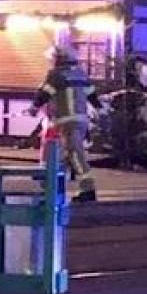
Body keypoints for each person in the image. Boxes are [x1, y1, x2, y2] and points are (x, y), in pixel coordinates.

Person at [32, 44, 102, 202]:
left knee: (75, 155)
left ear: (58, 59)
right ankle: (53, 187)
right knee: (63, 156)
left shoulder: (56, 75)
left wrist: (33, 108)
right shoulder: (80, 74)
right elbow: (92, 94)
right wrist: (99, 108)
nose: (51, 62)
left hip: (67, 122)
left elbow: (44, 94)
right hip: (81, 121)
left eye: (52, 59)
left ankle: (88, 190)